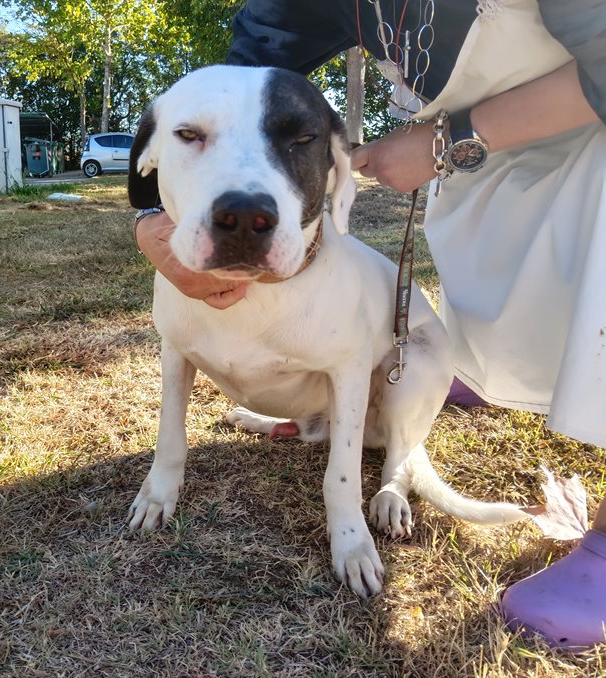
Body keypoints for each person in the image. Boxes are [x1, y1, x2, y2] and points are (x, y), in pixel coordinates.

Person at [134, 0, 606, 650]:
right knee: (506, 300)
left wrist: (443, 142)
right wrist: (153, 226)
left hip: (577, 132)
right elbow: (240, 83)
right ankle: (399, 403)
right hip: (488, 161)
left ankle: (414, 453)